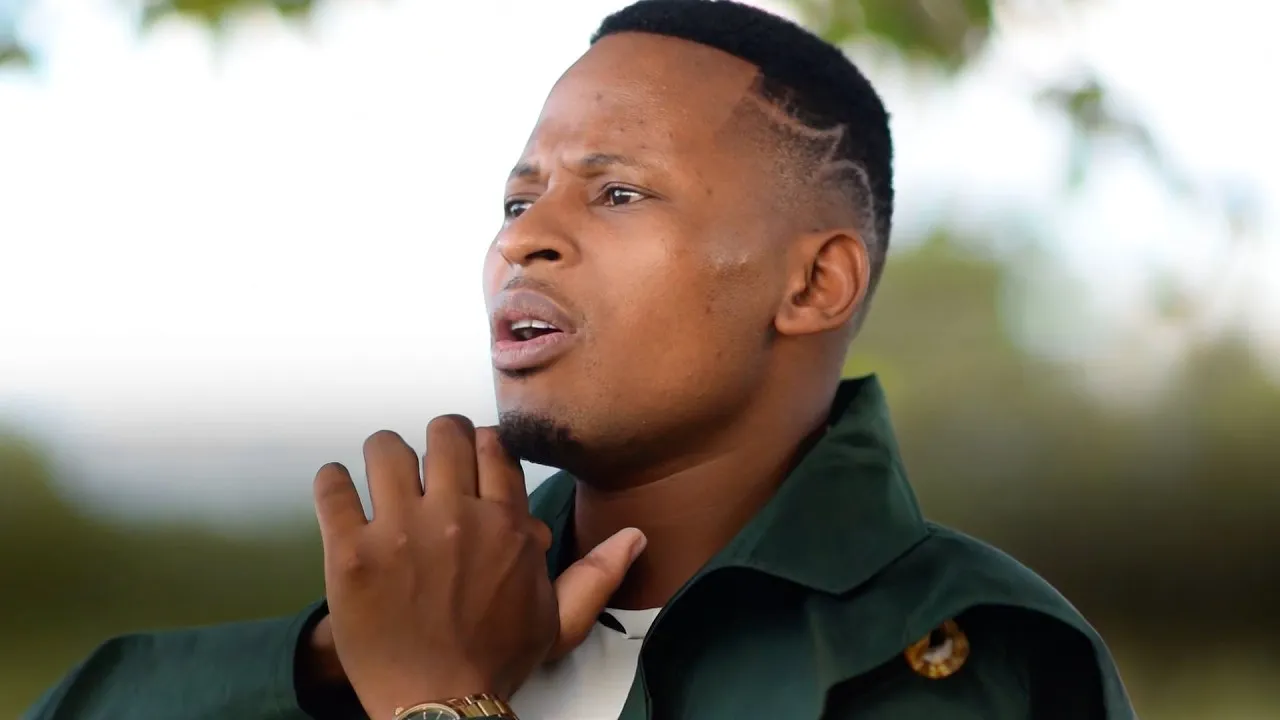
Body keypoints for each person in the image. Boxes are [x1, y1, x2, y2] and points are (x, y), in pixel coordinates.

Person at [24, 1, 1138, 719]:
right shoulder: (386, 626)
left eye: (616, 193)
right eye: (517, 201)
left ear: (812, 284)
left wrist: (433, 702)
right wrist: (333, 657)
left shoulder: (979, 661)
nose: (524, 240)